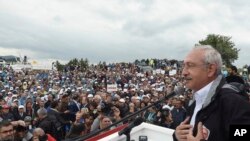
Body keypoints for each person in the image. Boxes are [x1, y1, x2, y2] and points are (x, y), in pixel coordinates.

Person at [173, 45, 250, 141]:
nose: (184, 72)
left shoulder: (234, 103)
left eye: (190, 65)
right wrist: (177, 135)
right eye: (184, 66)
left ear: (210, 69)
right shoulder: (193, 102)